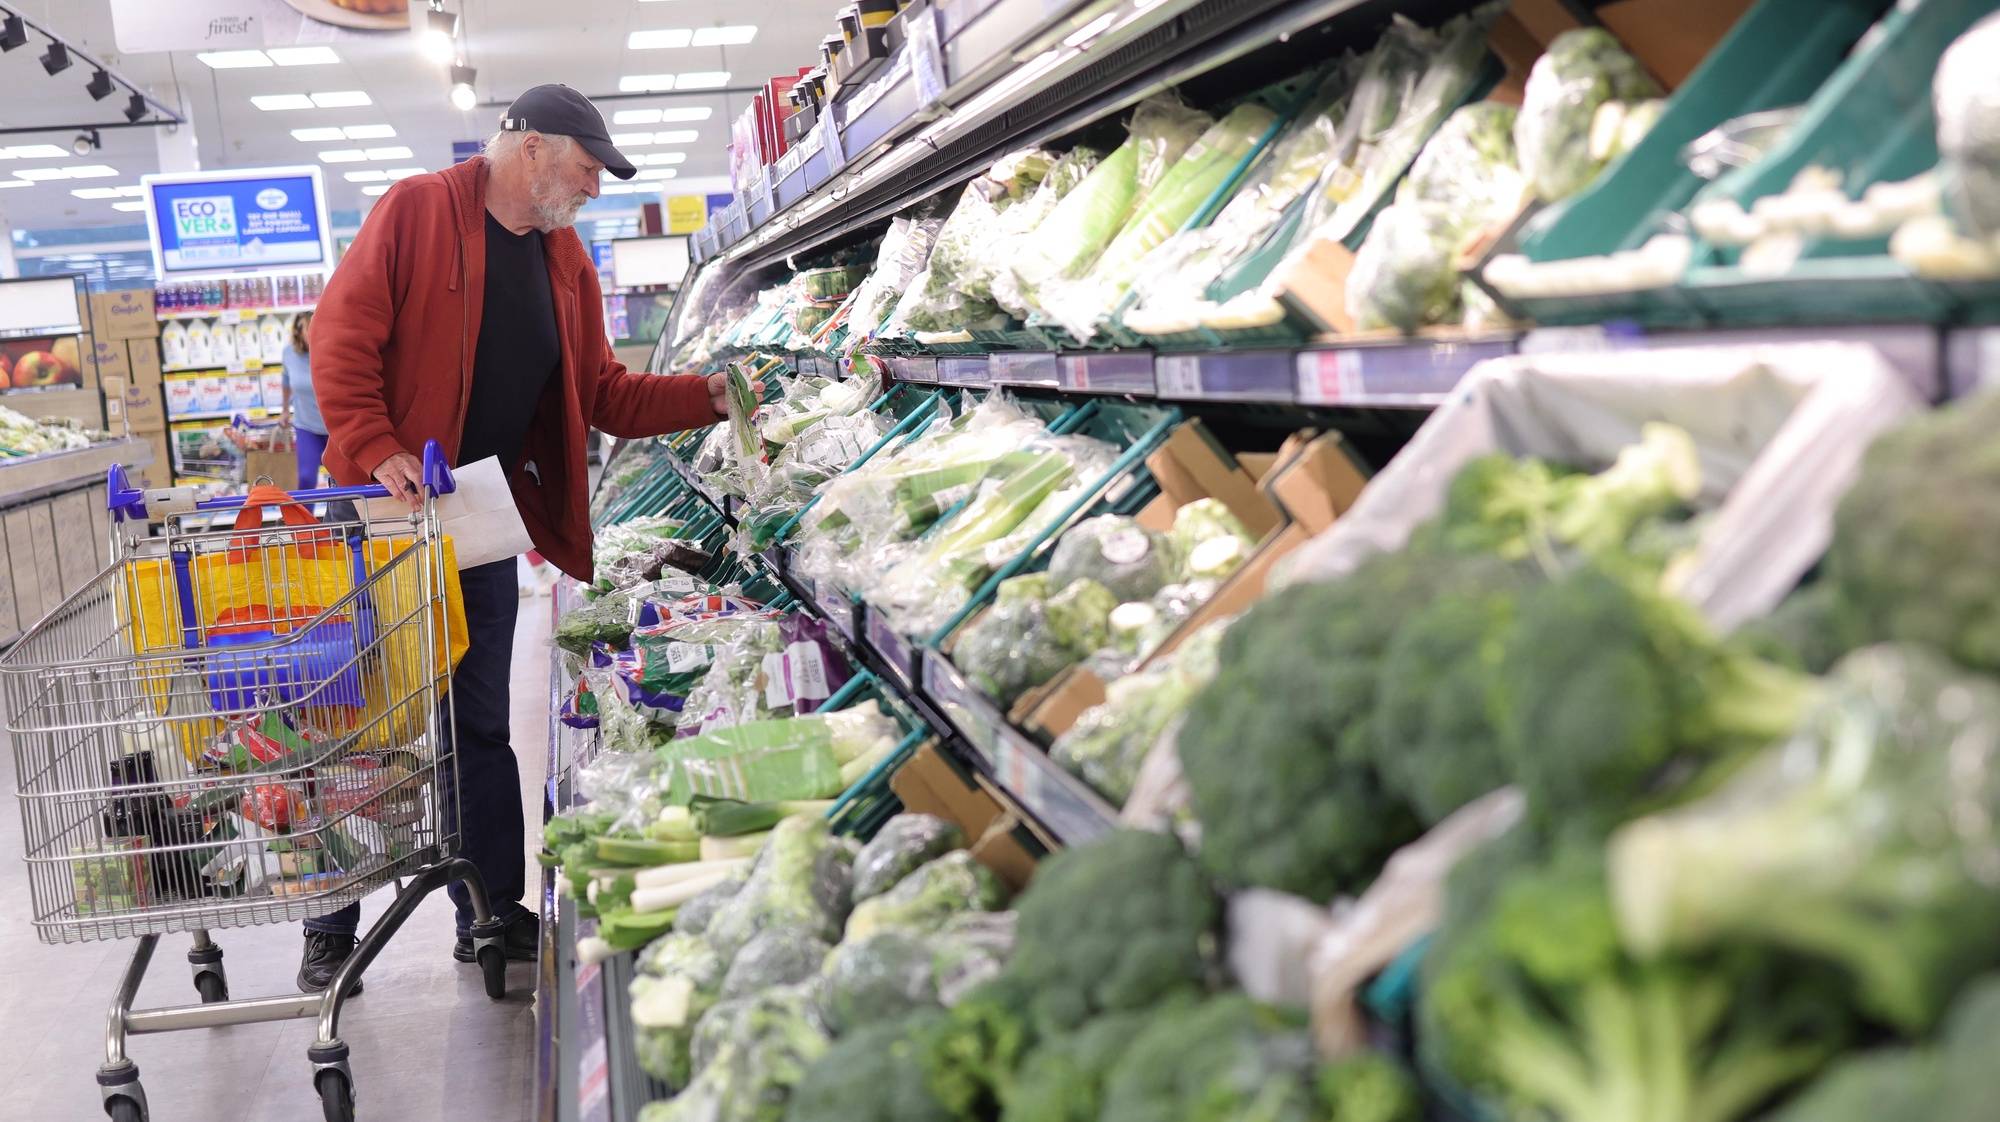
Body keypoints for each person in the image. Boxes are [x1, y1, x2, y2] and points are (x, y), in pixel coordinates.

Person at [302, 83, 754, 992]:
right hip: (383, 516)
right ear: (533, 148)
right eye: (587, 169)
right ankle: (331, 918)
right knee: (362, 723)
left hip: (476, 517)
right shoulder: (418, 210)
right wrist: (381, 448)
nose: (593, 188)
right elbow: (339, 341)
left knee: (480, 719)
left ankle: (493, 908)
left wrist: (707, 393)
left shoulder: (565, 261)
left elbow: (605, 392)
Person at [280, 312, 326, 490]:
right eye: (310, 329)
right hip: (306, 426)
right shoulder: (289, 353)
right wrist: (284, 410)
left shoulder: (332, 350)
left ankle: (343, 516)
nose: (315, 332)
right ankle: (303, 518)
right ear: (299, 332)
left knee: (342, 479)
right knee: (305, 478)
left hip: (335, 428)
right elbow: (285, 381)